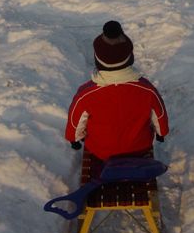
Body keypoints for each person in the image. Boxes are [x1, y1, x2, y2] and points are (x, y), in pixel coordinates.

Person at [65, 20, 169, 161]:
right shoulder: (147, 90)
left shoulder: (86, 94)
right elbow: (159, 116)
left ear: (97, 60)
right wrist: (161, 133)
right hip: (139, 148)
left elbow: (75, 123)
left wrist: (74, 140)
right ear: (130, 57)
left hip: (101, 151)